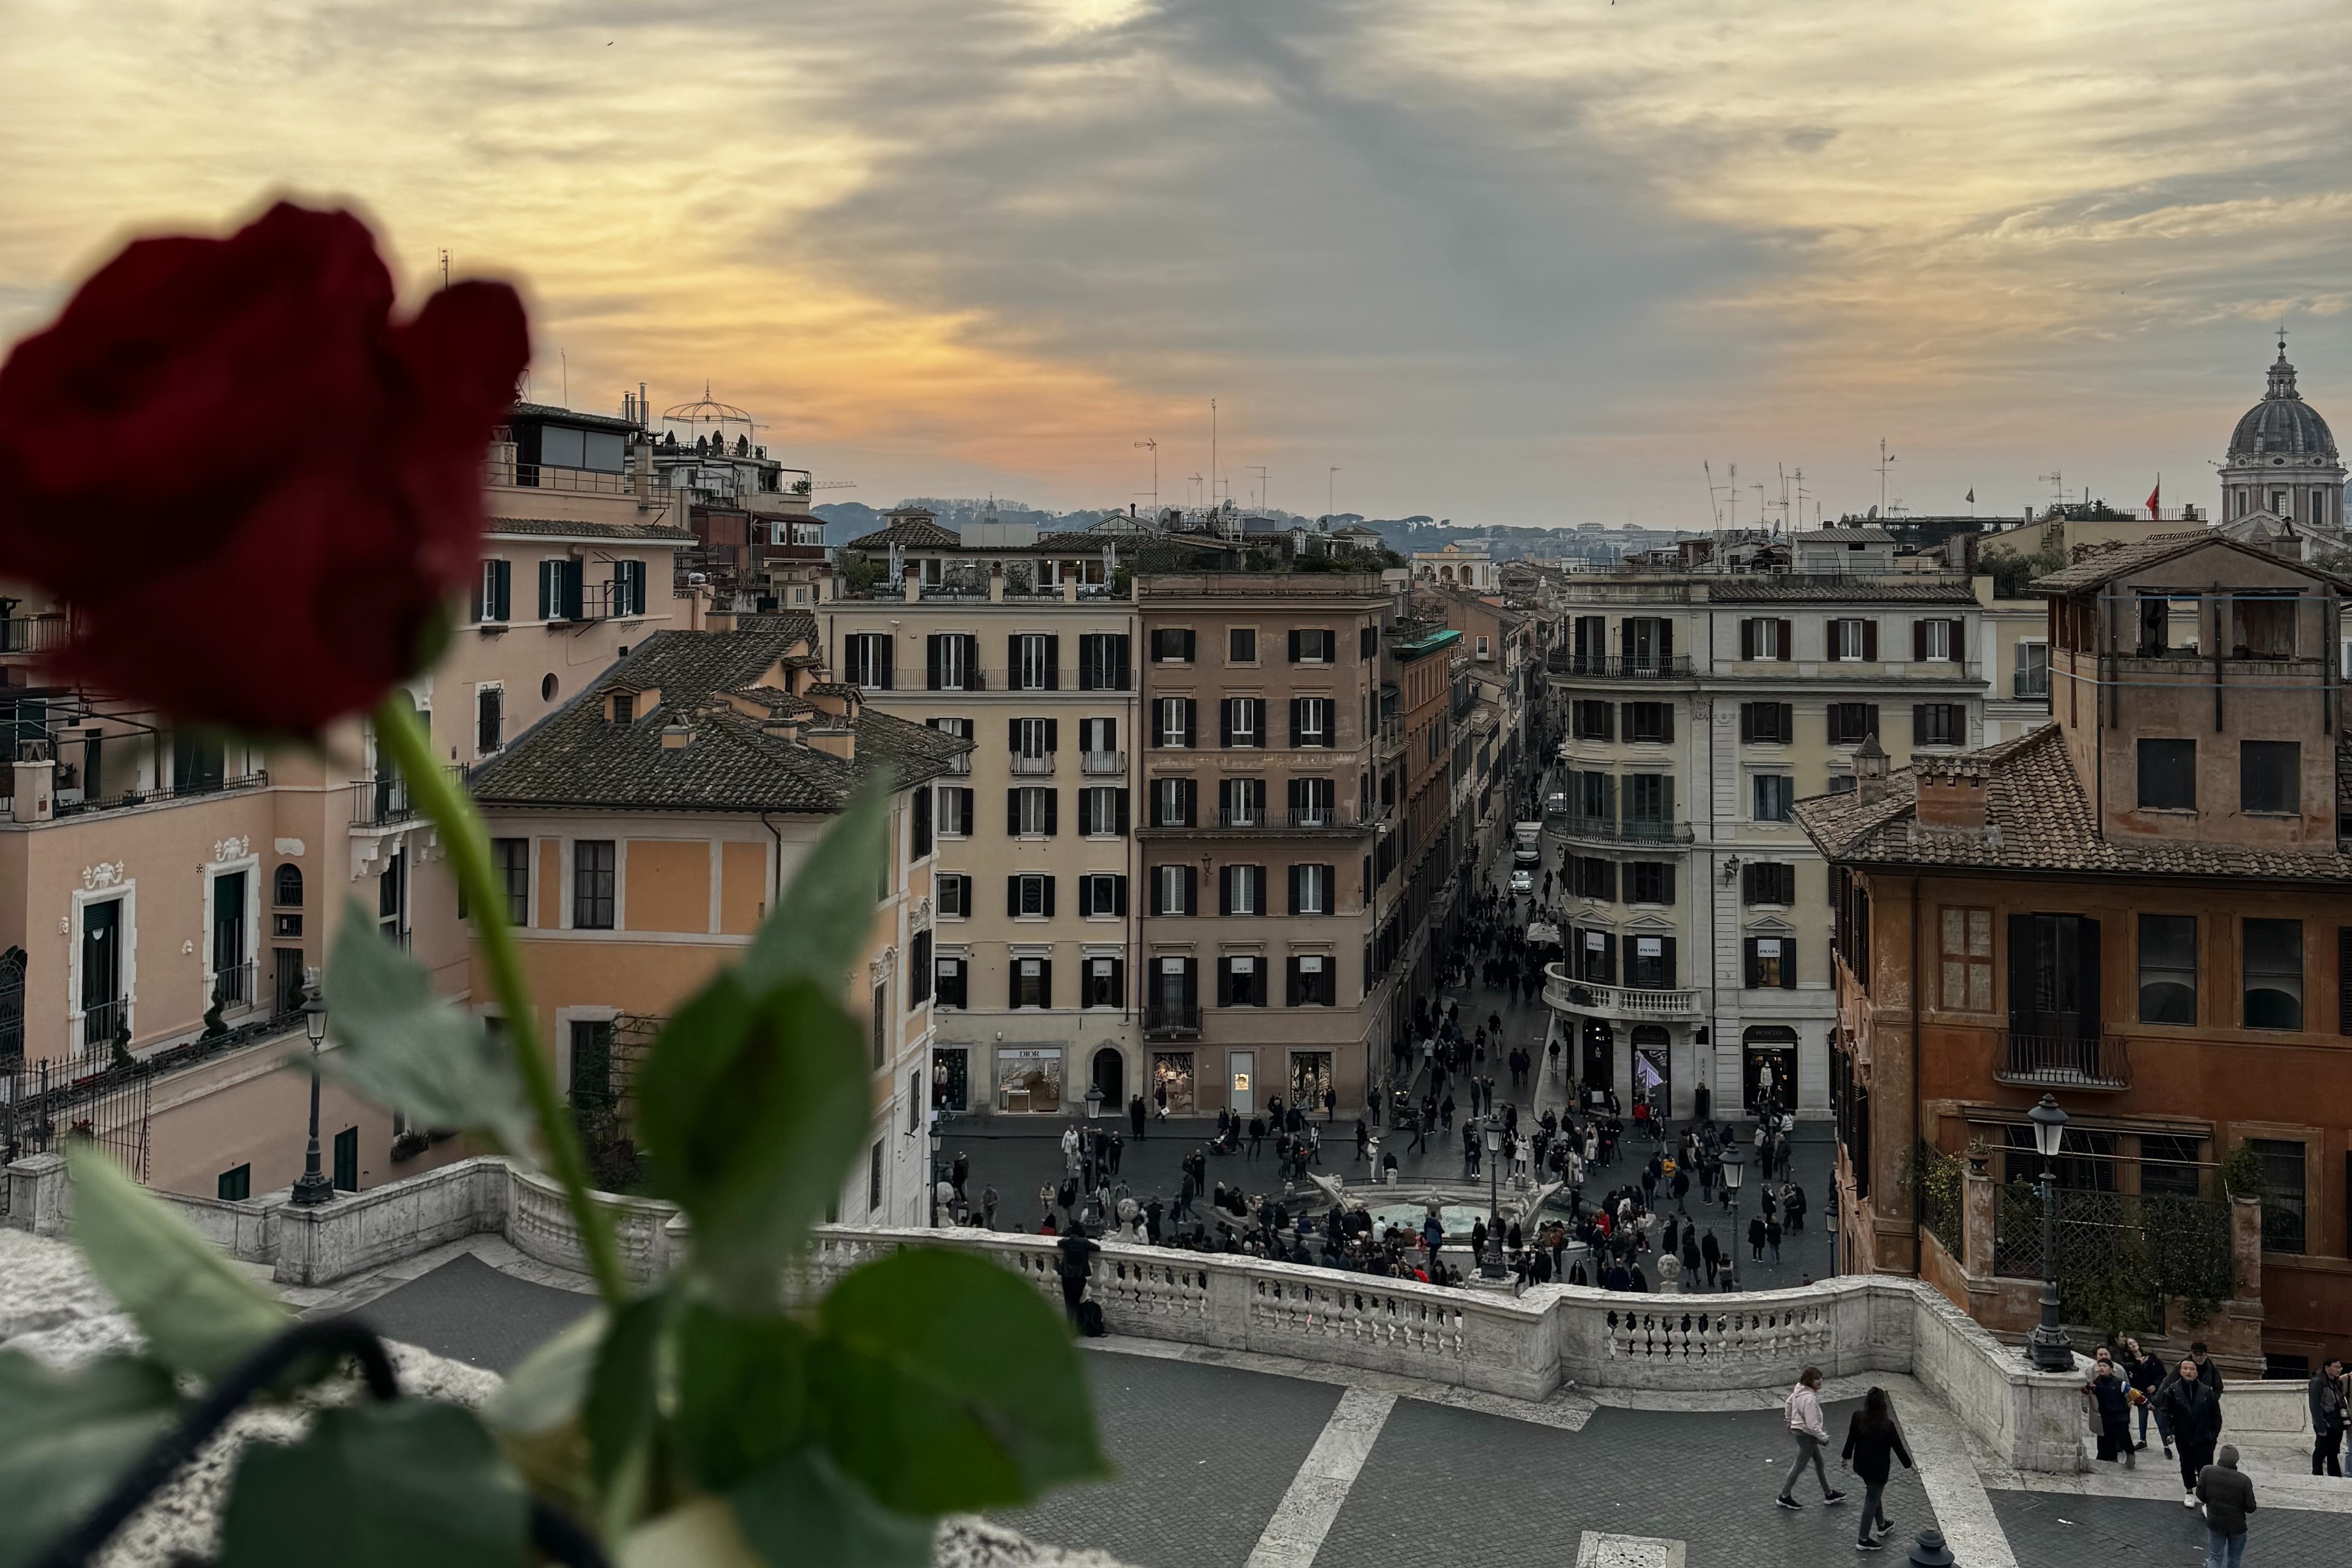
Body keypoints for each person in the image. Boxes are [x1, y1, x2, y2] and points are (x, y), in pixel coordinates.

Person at [1839, 1385, 1913, 1550]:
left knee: (1874, 1493)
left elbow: (1851, 1438)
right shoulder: (1887, 1425)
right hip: (1878, 1470)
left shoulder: (1858, 1417)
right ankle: (1863, 1539)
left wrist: (1845, 1457)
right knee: (1872, 1498)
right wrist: (1909, 1465)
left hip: (1861, 1466)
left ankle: (1882, 1525)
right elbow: (1898, 1447)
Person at [1776, 1365, 1845, 1510]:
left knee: (1819, 1462)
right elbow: (1812, 1426)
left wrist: (1789, 1421)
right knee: (1800, 1465)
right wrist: (1824, 1438)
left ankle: (1829, 1493)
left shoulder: (1799, 1390)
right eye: (1817, 1380)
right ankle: (1784, 1496)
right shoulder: (1810, 1400)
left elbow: (1789, 1403)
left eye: (1820, 1378)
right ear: (1810, 1381)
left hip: (1801, 1431)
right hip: (1807, 1434)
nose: (1820, 1381)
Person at [2157, 1356, 2224, 1505]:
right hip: (2184, 1436)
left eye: (2192, 1369)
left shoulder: (2207, 1391)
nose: (2189, 1372)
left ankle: (2205, 1497)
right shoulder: (2172, 1390)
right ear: (2180, 1371)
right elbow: (2165, 1412)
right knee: (2186, 1464)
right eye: (2185, 1368)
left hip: (2204, 1436)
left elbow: (2217, 1415)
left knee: (2205, 1467)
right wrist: (2169, 1431)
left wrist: (2213, 1436)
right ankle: (2189, 1491)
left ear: (2197, 1373)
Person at [2195, 1444, 2255, 1568]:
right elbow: (2251, 1508)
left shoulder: (2207, 1471)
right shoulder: (2244, 1481)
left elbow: (2200, 1495)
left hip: (2216, 1523)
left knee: (2215, 1557)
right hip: (2237, 1527)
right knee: (2234, 1559)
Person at [2084, 1348, 2136, 1467]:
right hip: (2103, 1412)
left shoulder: (2119, 1380)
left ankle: (2129, 1452)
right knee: (2104, 1436)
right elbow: (2085, 1391)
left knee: (2123, 1435)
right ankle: (2106, 1458)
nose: (2102, 1368)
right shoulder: (2094, 1381)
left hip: (2120, 1412)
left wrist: (2132, 1402)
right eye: (2100, 1355)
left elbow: (2130, 1392)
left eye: (2105, 1354)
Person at [1055, 1221, 1099, 1329]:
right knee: (1076, 1301)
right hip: (1079, 1277)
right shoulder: (1084, 1242)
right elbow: (1097, 1248)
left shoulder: (1066, 1242)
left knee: (1068, 1302)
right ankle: (1077, 1325)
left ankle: (1069, 1324)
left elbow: (1059, 1243)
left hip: (1066, 1276)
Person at [2311, 1356, 2348, 1477]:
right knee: (2321, 1451)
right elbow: (2315, 1406)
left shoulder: (2336, 1382)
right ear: (2327, 1368)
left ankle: (2335, 1476)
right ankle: (2317, 1475)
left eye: (2340, 1367)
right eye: (2336, 1367)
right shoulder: (2318, 1382)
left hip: (2336, 1422)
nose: (2339, 1370)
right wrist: (2321, 1427)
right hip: (2325, 1421)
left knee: (2333, 1452)